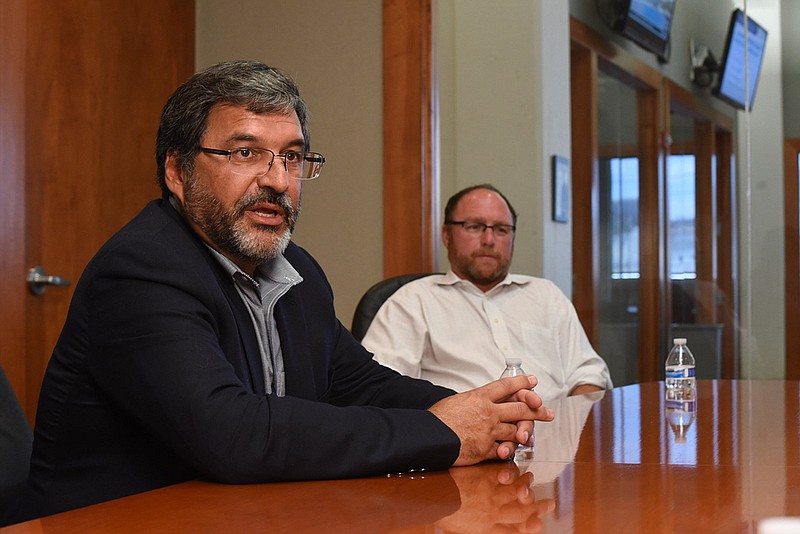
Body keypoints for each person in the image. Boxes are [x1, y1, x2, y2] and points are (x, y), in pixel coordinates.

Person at [24, 61, 553, 520]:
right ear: (177, 172)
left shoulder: (294, 268)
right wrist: (445, 435)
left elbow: (357, 383)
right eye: (245, 153)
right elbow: (231, 434)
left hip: (246, 514)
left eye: (293, 157)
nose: (277, 179)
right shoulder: (140, 271)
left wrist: (479, 412)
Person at [362, 184, 612, 400]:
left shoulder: (546, 295)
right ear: (447, 235)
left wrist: (577, 422)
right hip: (463, 445)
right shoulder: (412, 301)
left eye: (502, 229)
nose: (489, 240)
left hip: (557, 438)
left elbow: (588, 375)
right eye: (474, 227)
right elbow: (379, 388)